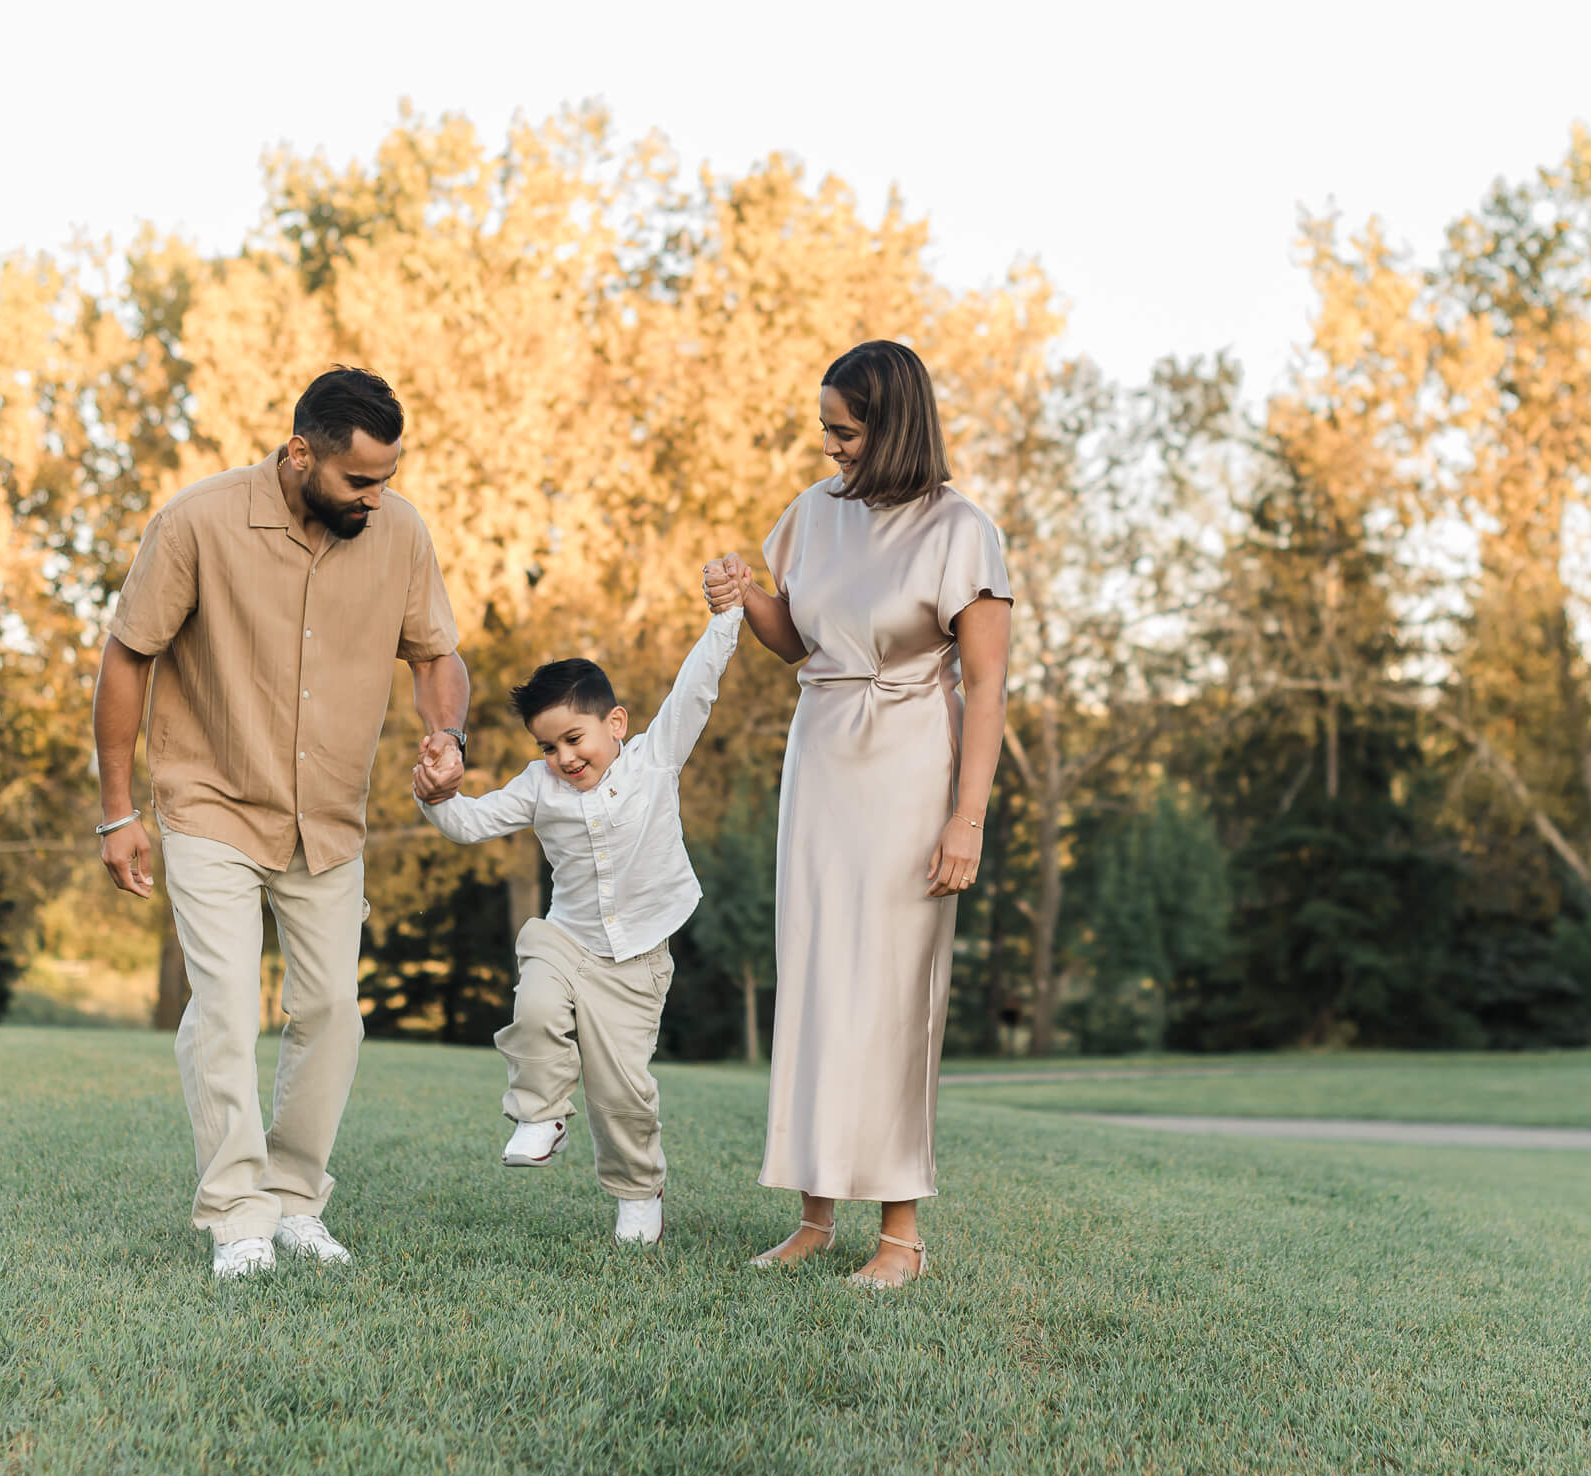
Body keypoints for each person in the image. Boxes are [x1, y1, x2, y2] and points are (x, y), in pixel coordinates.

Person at [92, 367, 471, 1280]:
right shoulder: (198, 522)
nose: (376, 499)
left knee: (334, 1011)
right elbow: (127, 656)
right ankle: (237, 1215)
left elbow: (437, 655)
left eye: (386, 478)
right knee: (222, 1008)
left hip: (329, 818)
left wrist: (446, 733)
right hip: (211, 798)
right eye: (358, 481)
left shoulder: (401, 531)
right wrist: (117, 813)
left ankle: (297, 1200)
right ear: (300, 453)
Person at [702, 339, 1011, 1289]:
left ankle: (901, 1237)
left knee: (893, 992)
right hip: (821, 755)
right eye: (827, 430)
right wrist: (744, 595)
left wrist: (969, 819)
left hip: (914, 764)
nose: (831, 446)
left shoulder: (962, 529)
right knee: (818, 978)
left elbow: (991, 684)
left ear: (892, 425)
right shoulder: (811, 513)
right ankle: (813, 1217)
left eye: (845, 430)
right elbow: (796, 640)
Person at [409, 594, 746, 1245]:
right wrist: (436, 799)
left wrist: (727, 616)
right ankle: (540, 1115)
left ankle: (639, 1192)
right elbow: (471, 824)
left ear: (615, 722)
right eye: (548, 745)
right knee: (534, 1005)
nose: (563, 756)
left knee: (622, 1091)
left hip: (640, 959)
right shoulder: (539, 786)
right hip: (567, 940)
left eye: (574, 738)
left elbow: (697, 687)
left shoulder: (655, 760)